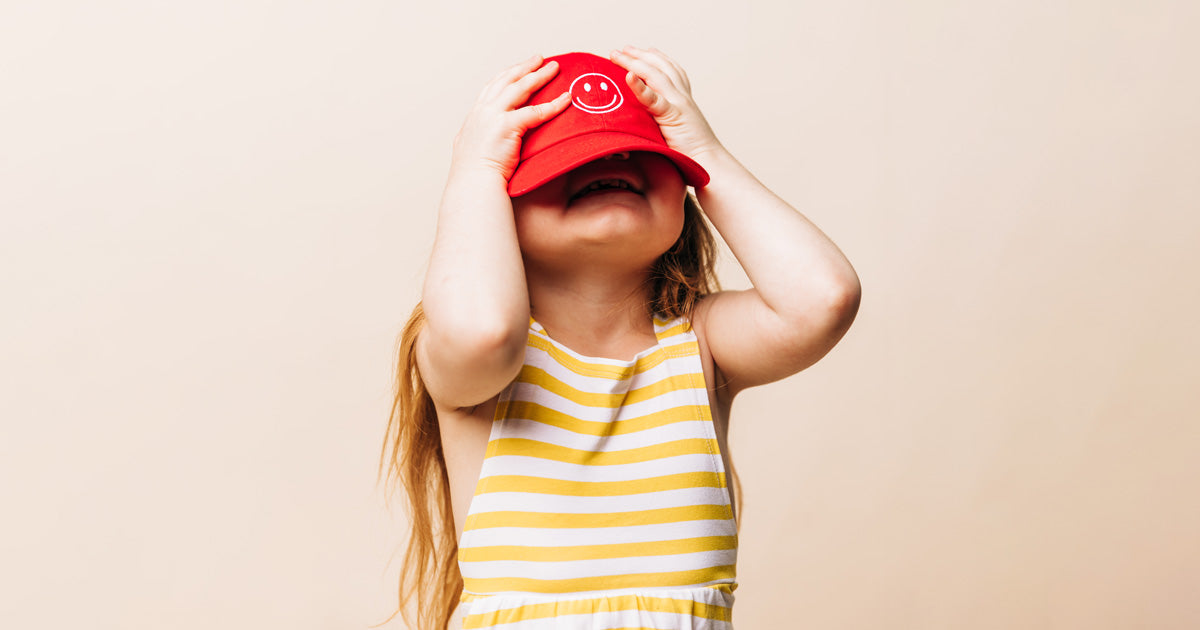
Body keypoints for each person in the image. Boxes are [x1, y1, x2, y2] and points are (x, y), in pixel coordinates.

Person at [379, 47, 861, 630]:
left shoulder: (701, 343)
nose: (609, 161)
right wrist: (475, 169)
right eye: (563, 162)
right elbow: (483, 330)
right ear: (496, 213)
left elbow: (823, 300)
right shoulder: (480, 369)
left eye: (640, 152)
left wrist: (703, 151)